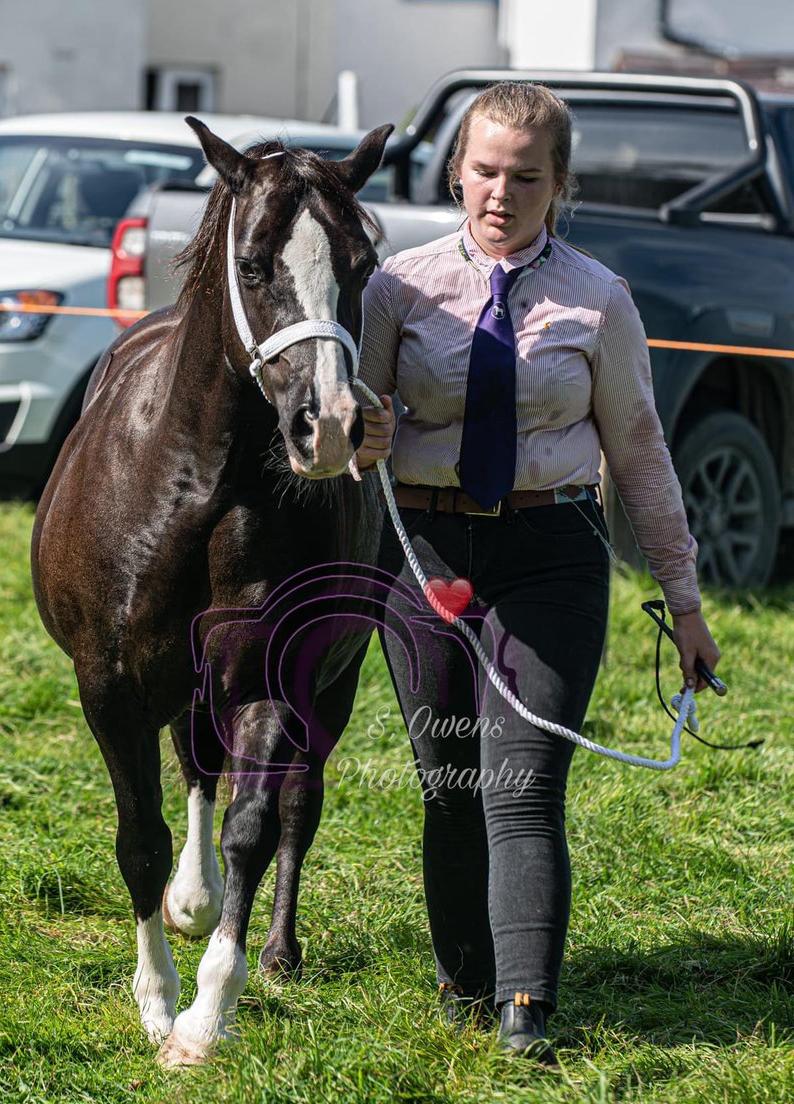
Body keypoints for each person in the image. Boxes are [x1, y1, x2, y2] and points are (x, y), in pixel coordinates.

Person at [352, 82, 720, 1064]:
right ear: (455, 173)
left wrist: (683, 602)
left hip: (551, 555)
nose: (500, 193)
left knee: (519, 784)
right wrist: (359, 438)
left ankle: (524, 1010)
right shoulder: (396, 288)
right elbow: (349, 439)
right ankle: (462, 986)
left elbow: (639, 455)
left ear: (559, 184)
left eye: (525, 177)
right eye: (484, 171)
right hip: (425, 558)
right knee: (449, 783)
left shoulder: (598, 299)